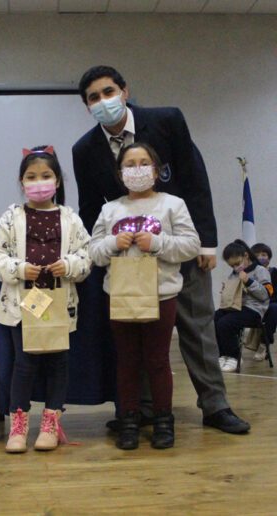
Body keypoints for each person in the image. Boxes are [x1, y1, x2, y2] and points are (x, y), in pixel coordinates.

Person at [72, 64, 250, 434]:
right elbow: (89, 209)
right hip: (129, 265)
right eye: (93, 98)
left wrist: (207, 242)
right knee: (138, 340)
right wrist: (101, 254)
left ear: (124, 91)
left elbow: (196, 179)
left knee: (198, 330)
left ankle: (215, 406)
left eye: (108, 92)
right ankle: (143, 410)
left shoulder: (167, 121)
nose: (103, 101)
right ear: (86, 106)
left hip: (182, 250)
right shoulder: (84, 149)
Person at [90, 142, 200, 450]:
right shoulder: (110, 209)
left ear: (156, 170)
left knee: (158, 360)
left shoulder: (173, 204)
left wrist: (158, 243)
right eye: (129, 164)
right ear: (120, 173)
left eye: (143, 163)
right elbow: (93, 253)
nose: (136, 169)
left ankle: (164, 420)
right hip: (120, 295)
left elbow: (191, 245)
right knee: (126, 361)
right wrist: (113, 243)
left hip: (161, 295)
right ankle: (129, 420)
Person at [0, 146, 91, 453]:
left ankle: (51, 423)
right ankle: (18, 425)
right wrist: (18, 269)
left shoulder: (70, 219)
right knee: (24, 363)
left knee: (58, 363)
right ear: (22, 182)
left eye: (45, 176)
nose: (38, 182)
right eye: (31, 177)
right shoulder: (11, 217)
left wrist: (69, 265)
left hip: (59, 303)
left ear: (57, 180)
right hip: (22, 305)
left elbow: (86, 256)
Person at [215, 239, 272, 372]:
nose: (236, 268)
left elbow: (266, 295)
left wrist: (248, 281)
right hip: (237, 307)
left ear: (246, 256)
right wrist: (227, 291)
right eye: (232, 266)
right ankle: (223, 355)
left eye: (237, 263)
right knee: (215, 317)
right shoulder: (234, 273)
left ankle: (234, 357)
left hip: (255, 310)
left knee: (226, 323)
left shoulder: (260, 270)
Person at [251, 243, 277, 360]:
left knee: (274, 308)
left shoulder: (274, 272)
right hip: (252, 304)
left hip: (270, 304)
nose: (260, 257)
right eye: (257, 255)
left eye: (264, 255)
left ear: (269, 258)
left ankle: (264, 344)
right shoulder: (248, 273)